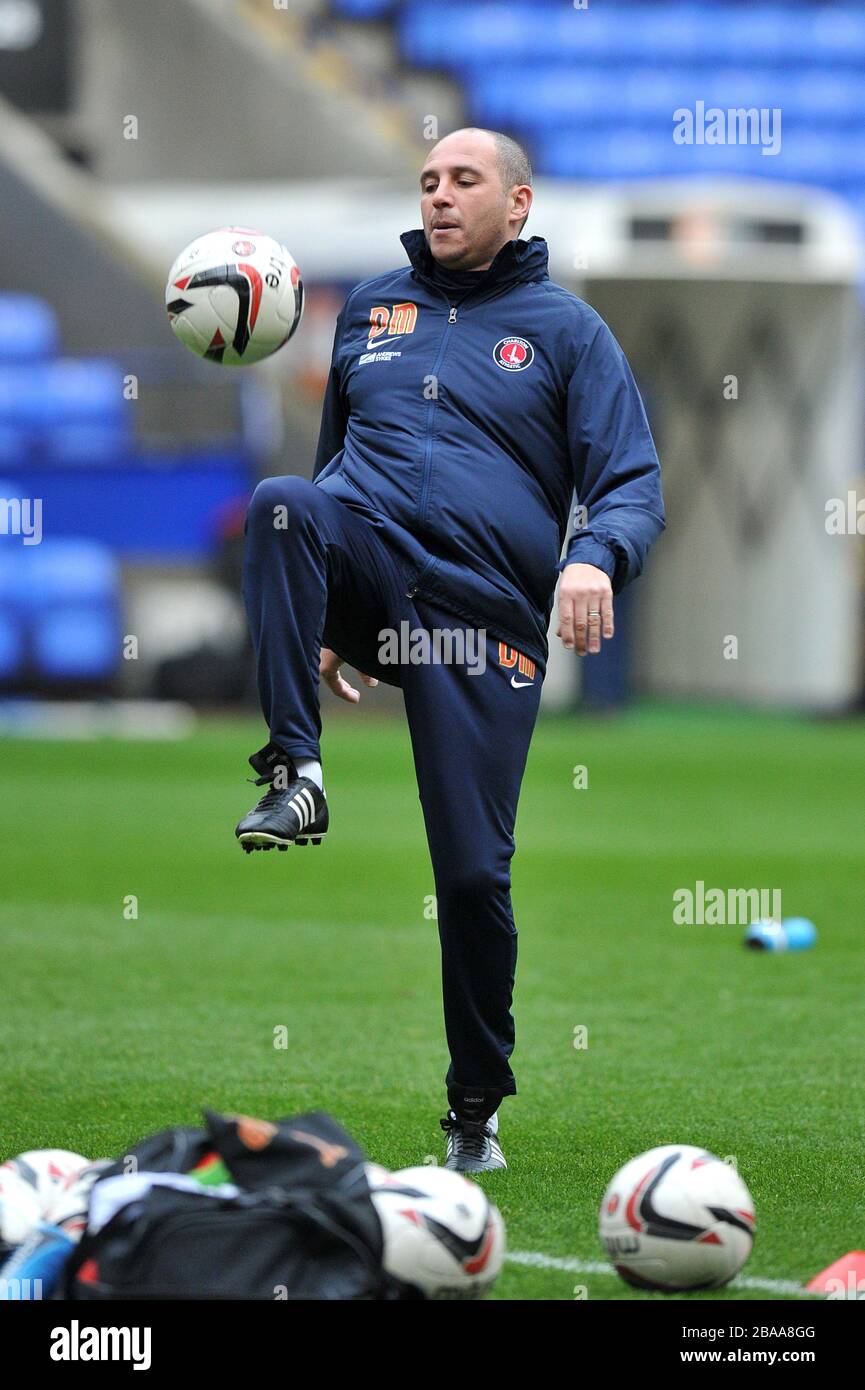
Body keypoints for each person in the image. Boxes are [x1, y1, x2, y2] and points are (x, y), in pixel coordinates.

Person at [236, 127, 665, 1171]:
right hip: (375, 575)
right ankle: (297, 770)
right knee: (284, 503)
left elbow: (631, 482)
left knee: (472, 875)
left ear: (516, 205)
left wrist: (593, 558)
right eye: (427, 180)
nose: (438, 195)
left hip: (481, 622)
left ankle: (475, 1103)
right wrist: (328, 611)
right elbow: (330, 466)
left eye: (463, 180)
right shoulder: (371, 313)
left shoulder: (569, 334)